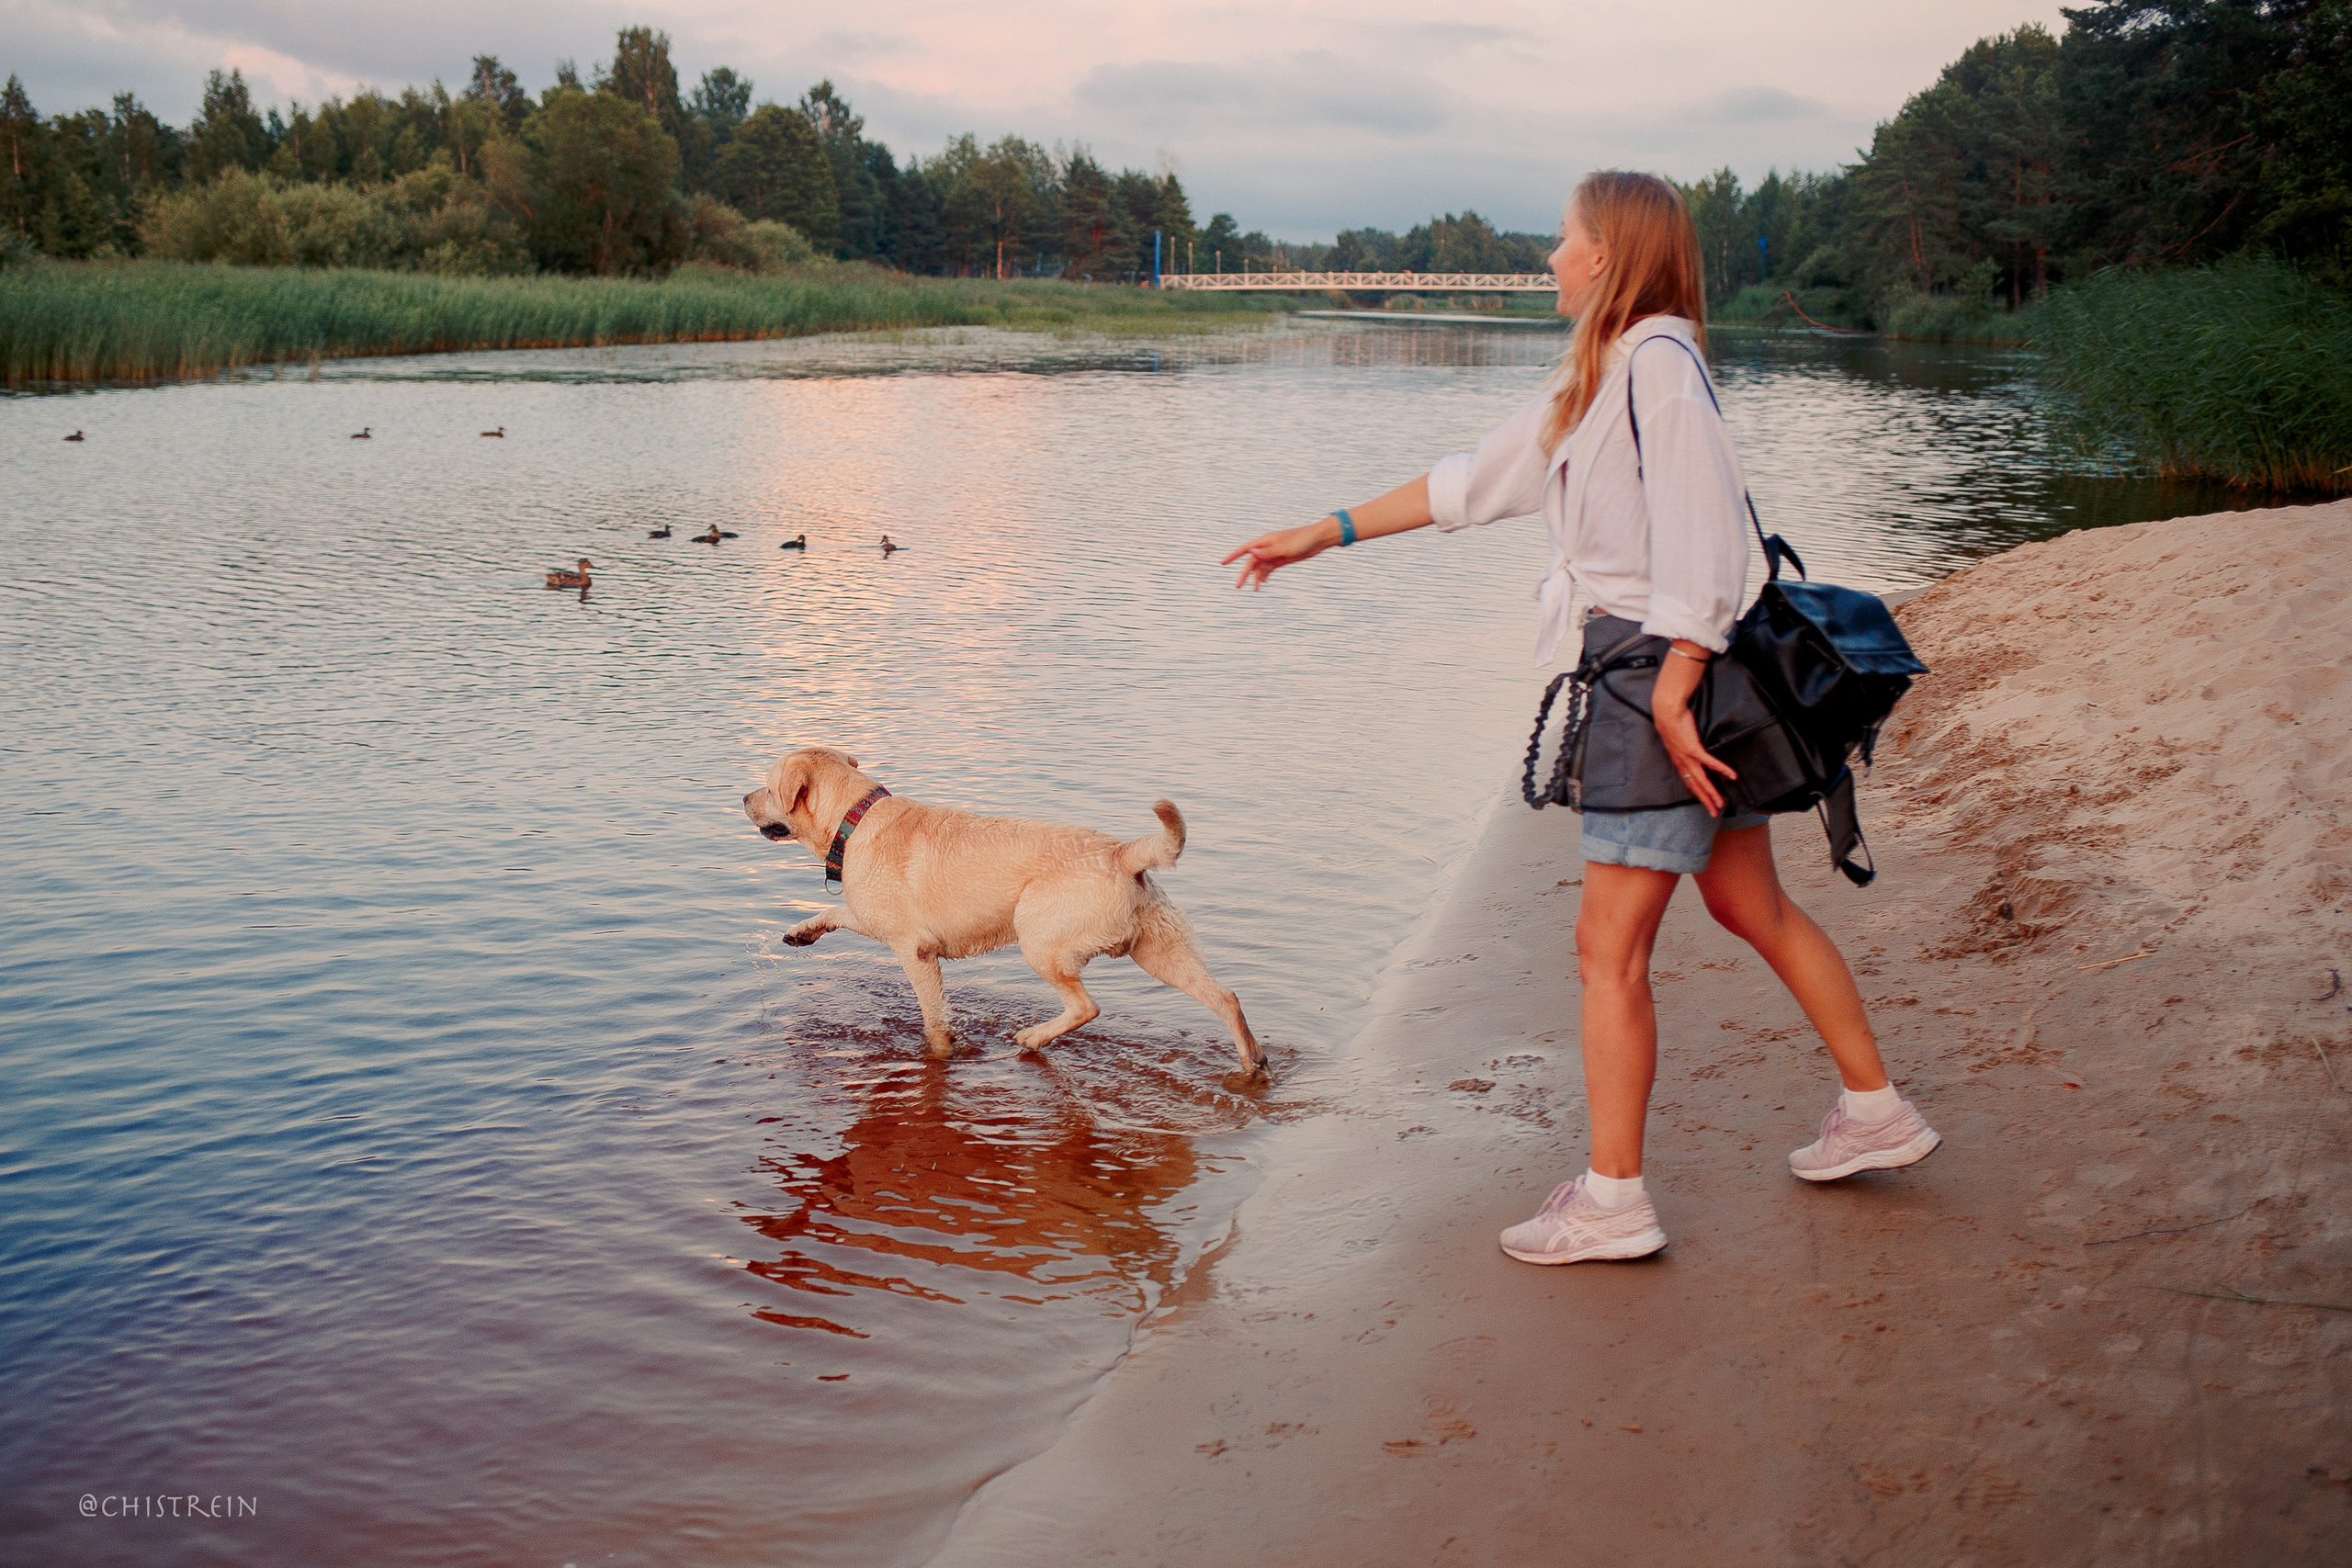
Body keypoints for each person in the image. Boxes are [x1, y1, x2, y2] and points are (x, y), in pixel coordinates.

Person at [1221, 171, 1940, 1265]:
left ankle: (1613, 1201)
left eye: (1563, 239)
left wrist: (1671, 677)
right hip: (1671, 671)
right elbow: (1474, 482)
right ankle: (1876, 1111)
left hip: (1661, 677)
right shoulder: (1603, 372)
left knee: (1606, 948)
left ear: (1604, 255)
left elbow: (1704, 530)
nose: (1549, 256)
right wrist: (1321, 532)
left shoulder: (1657, 363)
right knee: (1752, 906)